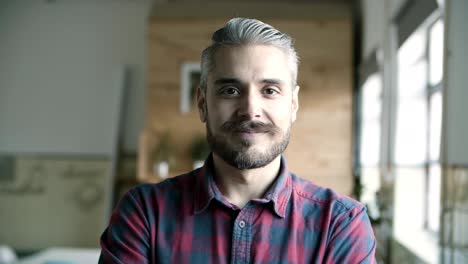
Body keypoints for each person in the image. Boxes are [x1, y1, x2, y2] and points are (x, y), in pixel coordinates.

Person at [99, 17, 376, 263]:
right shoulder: (145, 214)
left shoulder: (340, 225)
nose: (250, 109)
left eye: (269, 90)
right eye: (230, 90)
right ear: (202, 103)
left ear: (293, 105)